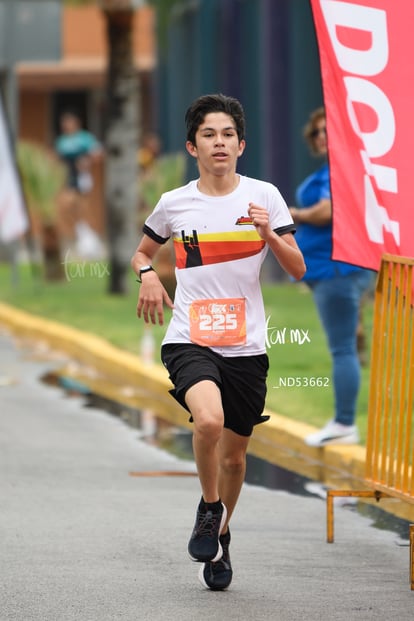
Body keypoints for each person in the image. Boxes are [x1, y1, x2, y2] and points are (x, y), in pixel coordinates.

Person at [131, 93, 306, 591]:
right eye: (209, 134)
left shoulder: (265, 196)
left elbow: (297, 269)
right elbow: (141, 252)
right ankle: (210, 509)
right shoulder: (175, 203)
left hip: (247, 346)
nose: (220, 142)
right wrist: (147, 274)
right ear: (193, 146)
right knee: (207, 419)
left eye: (228, 134)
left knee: (234, 456)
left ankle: (221, 534)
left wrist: (269, 234)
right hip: (189, 337)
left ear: (241, 144)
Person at [289, 106, 373, 448]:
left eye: (329, 130)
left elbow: (326, 212)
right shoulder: (333, 170)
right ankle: (343, 421)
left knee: (341, 349)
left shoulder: (340, 171)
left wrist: (292, 213)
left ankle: (343, 423)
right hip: (332, 270)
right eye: (318, 132)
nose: (323, 137)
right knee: (343, 344)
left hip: (337, 269)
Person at [55, 111, 104, 257]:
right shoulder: (62, 141)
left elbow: (98, 153)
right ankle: (81, 235)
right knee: (66, 207)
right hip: (67, 179)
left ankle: (90, 238)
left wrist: (87, 161)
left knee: (82, 208)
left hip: (82, 177)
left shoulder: (84, 138)